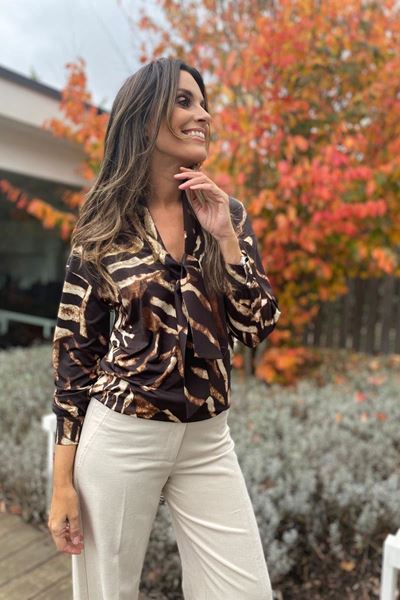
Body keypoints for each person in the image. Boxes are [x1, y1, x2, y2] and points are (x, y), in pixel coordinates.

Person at [47, 56, 281, 600]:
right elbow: (74, 357)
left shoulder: (225, 213)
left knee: (244, 591)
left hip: (208, 438)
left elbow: (256, 326)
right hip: (121, 433)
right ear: (144, 115)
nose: (203, 115)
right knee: (108, 592)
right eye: (184, 101)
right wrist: (61, 484)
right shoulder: (103, 228)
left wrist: (226, 240)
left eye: (203, 103)